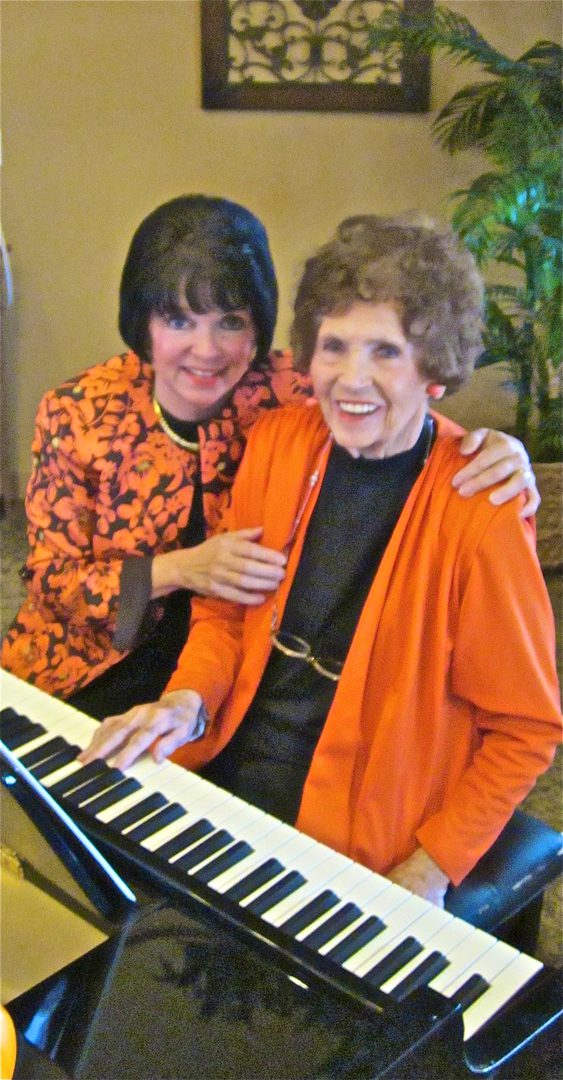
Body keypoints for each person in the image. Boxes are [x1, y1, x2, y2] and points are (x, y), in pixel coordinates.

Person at [80, 215, 561, 906]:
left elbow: (525, 728)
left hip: (353, 827)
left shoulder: (476, 507)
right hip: (226, 761)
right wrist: (184, 704)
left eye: (386, 352)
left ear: (433, 368)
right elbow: (222, 614)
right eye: (333, 346)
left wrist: (431, 867)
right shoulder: (279, 442)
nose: (350, 378)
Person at [2, 197, 539, 720]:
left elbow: (392, 405)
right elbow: (51, 582)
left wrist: (492, 448)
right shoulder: (78, 412)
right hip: (93, 657)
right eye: (178, 320)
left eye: (231, 321)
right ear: (141, 321)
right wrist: (180, 570)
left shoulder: (290, 386)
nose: (206, 350)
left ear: (260, 324)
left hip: (233, 650)